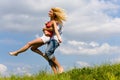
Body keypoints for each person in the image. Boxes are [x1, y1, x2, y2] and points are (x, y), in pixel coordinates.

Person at [9, 7, 67, 74]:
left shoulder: (58, 22)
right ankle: (55, 73)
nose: (48, 12)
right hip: (50, 39)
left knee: (44, 51)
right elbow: (50, 30)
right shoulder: (51, 21)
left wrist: (46, 29)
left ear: (54, 14)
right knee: (36, 50)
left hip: (54, 39)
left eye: (50, 12)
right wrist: (45, 29)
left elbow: (55, 30)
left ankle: (60, 67)